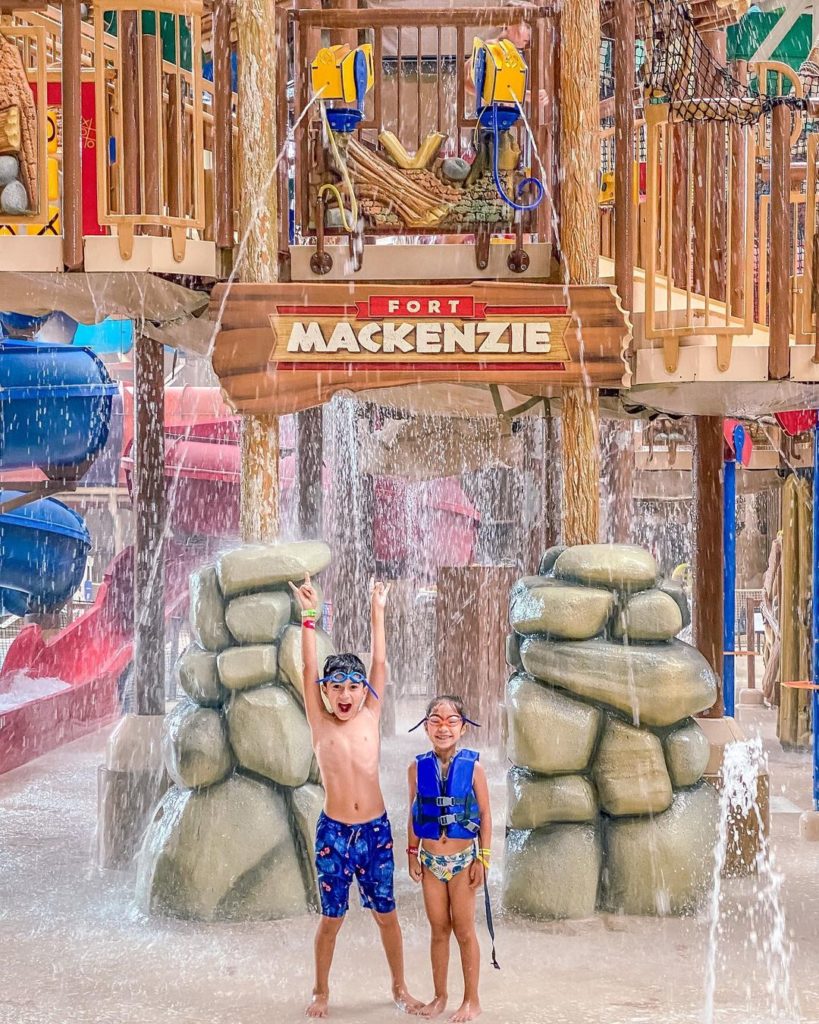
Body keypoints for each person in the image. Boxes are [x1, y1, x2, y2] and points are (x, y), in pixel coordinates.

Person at [290, 573, 422, 1019]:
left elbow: (380, 664)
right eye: (337, 687)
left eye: (353, 686)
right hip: (334, 835)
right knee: (332, 920)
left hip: (376, 833)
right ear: (324, 693)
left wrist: (377, 610)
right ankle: (320, 990)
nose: (345, 695)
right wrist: (309, 616)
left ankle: (400, 988)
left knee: (387, 916)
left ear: (363, 691)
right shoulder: (319, 722)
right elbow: (308, 668)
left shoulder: (370, 714)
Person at [406, 696, 493, 1022]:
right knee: (439, 929)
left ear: (463, 727)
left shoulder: (475, 768)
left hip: (461, 862)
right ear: (425, 725)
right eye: (436, 720)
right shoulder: (416, 768)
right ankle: (440, 995)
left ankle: (472, 1000)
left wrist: (482, 860)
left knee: (465, 931)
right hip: (430, 862)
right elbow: (415, 814)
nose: (443, 727)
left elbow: (485, 815)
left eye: (451, 720)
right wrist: (412, 853)